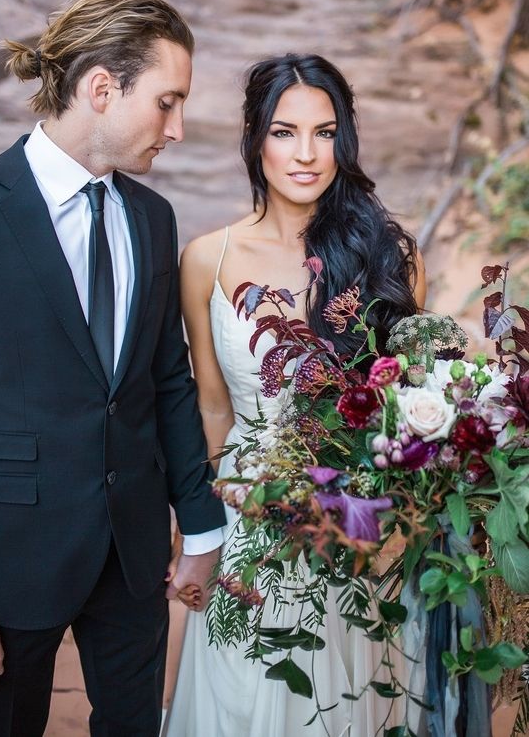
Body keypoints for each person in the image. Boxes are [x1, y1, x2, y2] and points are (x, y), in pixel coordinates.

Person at [0, 0, 226, 737]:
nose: (178, 128)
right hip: (6, 567)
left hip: (134, 560)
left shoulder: (153, 219)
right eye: (167, 102)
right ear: (101, 88)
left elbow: (165, 381)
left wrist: (200, 527)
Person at [165, 53, 427, 736]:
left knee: (347, 690)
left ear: (345, 140)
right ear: (254, 140)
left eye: (324, 132)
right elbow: (213, 405)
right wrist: (201, 533)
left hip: (358, 518)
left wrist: (377, 523)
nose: (307, 154)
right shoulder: (207, 258)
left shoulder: (388, 258)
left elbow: (404, 413)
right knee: (241, 694)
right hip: (251, 518)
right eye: (284, 132)